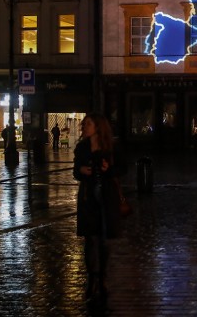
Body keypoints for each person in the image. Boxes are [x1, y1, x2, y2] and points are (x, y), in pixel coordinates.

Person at [73, 113, 126, 304]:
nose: (84, 127)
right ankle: (92, 278)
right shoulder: (81, 147)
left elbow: (122, 168)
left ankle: (102, 276)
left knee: (104, 240)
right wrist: (81, 170)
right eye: (84, 124)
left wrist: (107, 169)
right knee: (90, 238)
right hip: (88, 196)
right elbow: (76, 170)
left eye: (88, 124)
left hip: (107, 196)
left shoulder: (111, 147)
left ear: (98, 127)